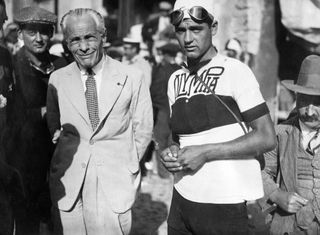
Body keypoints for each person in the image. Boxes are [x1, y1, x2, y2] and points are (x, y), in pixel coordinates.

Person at [160, 0, 276, 234]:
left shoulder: (236, 71)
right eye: (181, 30)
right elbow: (178, 138)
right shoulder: (175, 79)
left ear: (213, 28)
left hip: (225, 202)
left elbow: (266, 137)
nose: (188, 38)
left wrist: (205, 152)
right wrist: (170, 151)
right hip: (182, 198)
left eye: (196, 29)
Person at [46, 8, 153, 235]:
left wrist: (128, 168)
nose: (83, 47)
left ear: (103, 36)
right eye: (75, 40)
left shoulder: (132, 77)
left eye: (89, 37)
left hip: (113, 183)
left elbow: (143, 130)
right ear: (67, 43)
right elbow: (54, 127)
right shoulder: (57, 79)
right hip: (70, 185)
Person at [9, 6, 58, 235]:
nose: (39, 38)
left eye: (45, 32)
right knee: (28, 223)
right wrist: (45, 112)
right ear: (20, 34)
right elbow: (9, 116)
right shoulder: (10, 68)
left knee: (59, 219)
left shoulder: (62, 65)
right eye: (32, 32)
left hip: (60, 158)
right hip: (24, 161)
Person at [261, 55, 320, 234]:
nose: (309, 111)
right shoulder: (280, 134)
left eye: (318, 103)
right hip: (289, 228)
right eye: (303, 101)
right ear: (296, 96)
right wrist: (277, 195)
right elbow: (260, 172)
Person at [151, 42, 181, 178]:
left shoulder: (161, 69)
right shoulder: (180, 69)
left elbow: (155, 91)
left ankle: (163, 173)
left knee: (160, 141)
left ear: (165, 55)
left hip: (163, 110)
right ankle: (175, 170)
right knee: (174, 142)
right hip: (177, 110)